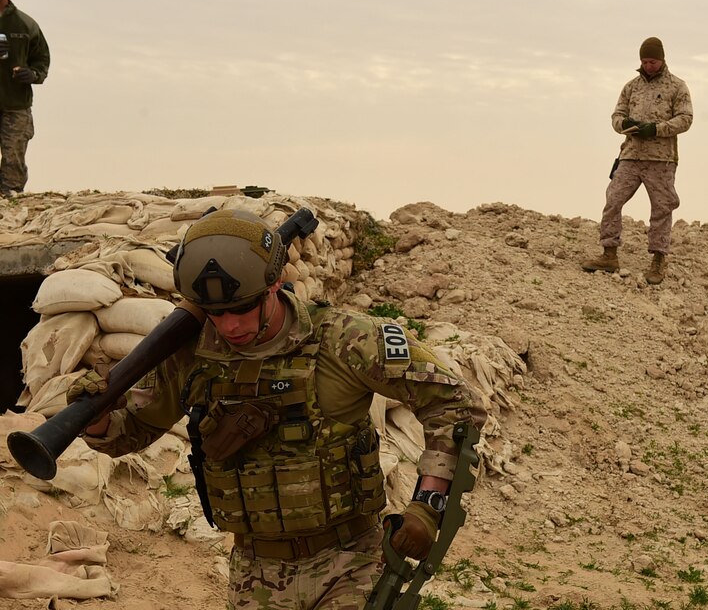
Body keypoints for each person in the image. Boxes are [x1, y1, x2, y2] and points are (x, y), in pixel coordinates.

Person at [67, 208, 487, 610]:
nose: (230, 326)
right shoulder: (190, 356)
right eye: (215, 313)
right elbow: (133, 431)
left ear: (273, 285)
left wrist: (428, 503)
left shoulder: (347, 340)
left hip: (352, 560)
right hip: (255, 570)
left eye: (242, 307)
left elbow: (453, 402)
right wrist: (99, 417)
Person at [582, 37, 693, 285]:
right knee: (613, 199)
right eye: (644, 61)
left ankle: (658, 260)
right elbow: (616, 115)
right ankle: (609, 254)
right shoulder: (631, 87)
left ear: (662, 59)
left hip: (661, 159)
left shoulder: (677, 87)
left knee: (661, 209)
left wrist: (655, 129)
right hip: (630, 156)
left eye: (652, 61)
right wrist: (624, 125)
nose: (648, 65)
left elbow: (685, 119)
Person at [0, 0, 49, 199]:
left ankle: (8, 205)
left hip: (15, 105)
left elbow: (41, 59)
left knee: (13, 162)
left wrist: (32, 74)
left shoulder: (26, 24)